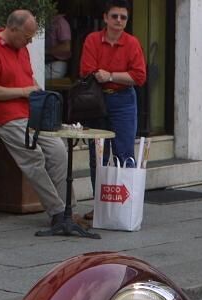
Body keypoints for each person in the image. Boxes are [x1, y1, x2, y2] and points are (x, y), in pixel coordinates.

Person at [0, 9, 70, 228]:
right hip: (6, 117)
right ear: (13, 29)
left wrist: (35, 90)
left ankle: (67, 209)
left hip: (30, 114)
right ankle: (57, 212)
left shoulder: (21, 49)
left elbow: (27, 78)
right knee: (33, 157)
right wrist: (24, 91)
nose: (28, 42)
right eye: (26, 37)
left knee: (58, 151)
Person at [80, 1, 147, 203]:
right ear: (105, 18)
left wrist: (110, 75)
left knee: (124, 153)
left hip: (124, 100)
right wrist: (121, 75)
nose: (119, 20)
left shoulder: (132, 43)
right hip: (96, 101)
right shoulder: (92, 40)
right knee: (97, 156)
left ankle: (126, 205)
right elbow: (86, 71)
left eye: (123, 17)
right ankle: (99, 206)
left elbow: (139, 77)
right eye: (115, 16)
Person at [45, 12, 71, 79]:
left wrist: (45, 51)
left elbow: (66, 47)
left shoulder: (61, 22)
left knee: (31, 75)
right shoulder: (47, 21)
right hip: (47, 63)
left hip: (56, 65)